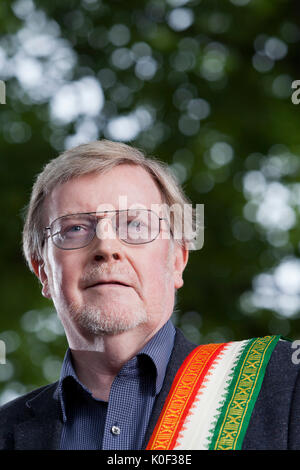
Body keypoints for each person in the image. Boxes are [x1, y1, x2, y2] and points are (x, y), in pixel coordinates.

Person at [0, 139, 300, 451]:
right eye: (75, 228)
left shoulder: (286, 384)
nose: (106, 247)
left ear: (177, 260)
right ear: (43, 271)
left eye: (135, 224)